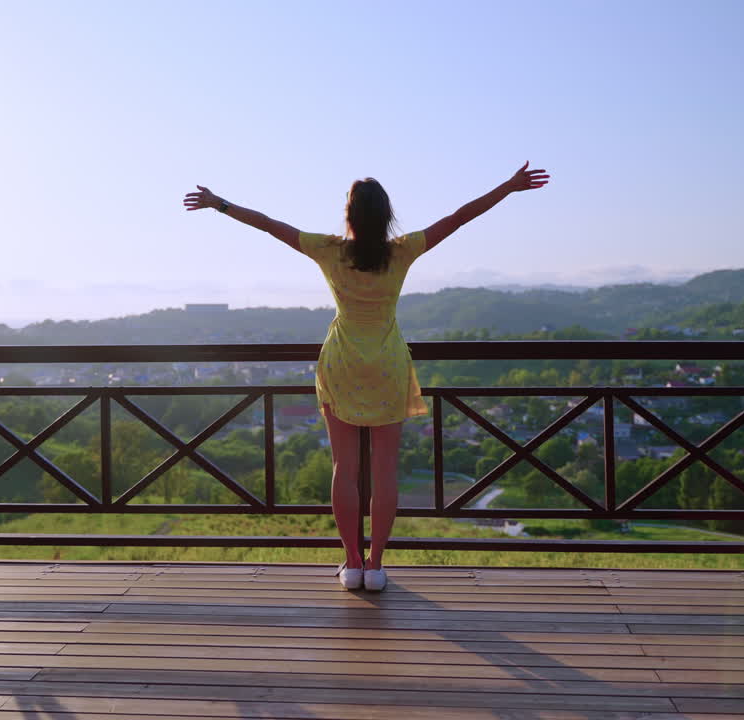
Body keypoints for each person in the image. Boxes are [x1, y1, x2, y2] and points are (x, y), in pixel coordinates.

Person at [183, 162, 550, 591]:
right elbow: (458, 218)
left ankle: (352, 562)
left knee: (345, 468)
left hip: (340, 365)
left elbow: (269, 225)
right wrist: (507, 186)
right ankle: (376, 566)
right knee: (385, 471)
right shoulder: (402, 251)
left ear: (350, 216)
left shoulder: (330, 250)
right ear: (385, 216)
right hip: (388, 367)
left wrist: (219, 204)